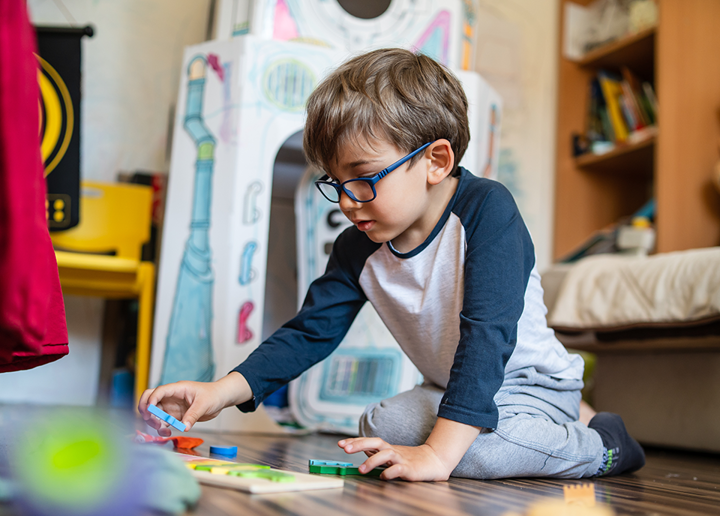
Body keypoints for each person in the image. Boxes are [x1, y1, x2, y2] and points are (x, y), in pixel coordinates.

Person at [140, 48, 645, 482]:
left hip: (528, 387)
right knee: (380, 428)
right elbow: (309, 333)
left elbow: (486, 335)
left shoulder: (488, 211)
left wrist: (437, 455)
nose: (347, 201)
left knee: (474, 454)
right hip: (451, 387)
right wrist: (218, 391)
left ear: (436, 161)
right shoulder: (358, 246)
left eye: (362, 178)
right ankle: (534, 431)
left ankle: (603, 442)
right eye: (336, 184)